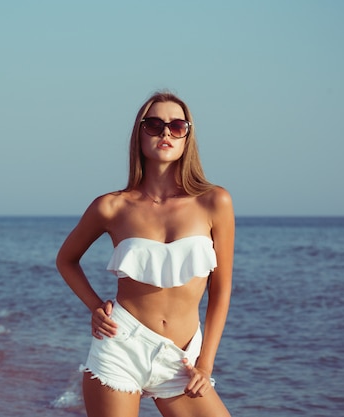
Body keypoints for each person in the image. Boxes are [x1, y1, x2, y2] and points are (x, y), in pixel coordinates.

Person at [56, 91, 234, 417]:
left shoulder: (215, 202)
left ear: (187, 137)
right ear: (139, 135)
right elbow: (66, 260)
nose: (166, 132)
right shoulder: (111, 206)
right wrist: (96, 307)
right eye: (154, 124)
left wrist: (205, 364)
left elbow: (221, 289)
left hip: (182, 359)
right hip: (121, 347)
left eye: (177, 125)